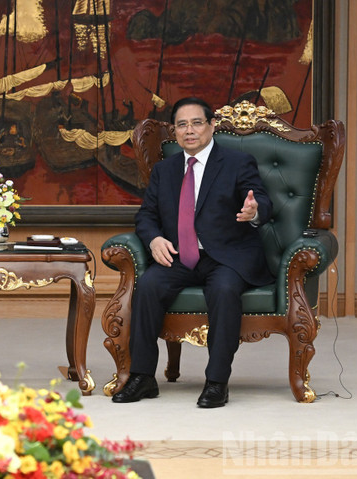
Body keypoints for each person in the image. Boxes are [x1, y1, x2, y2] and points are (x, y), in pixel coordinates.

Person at [112, 97, 273, 408]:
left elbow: (262, 202)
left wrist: (253, 212)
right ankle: (143, 376)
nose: (190, 131)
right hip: (179, 255)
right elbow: (146, 216)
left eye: (197, 123)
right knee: (147, 286)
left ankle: (216, 381)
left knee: (225, 290)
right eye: (182, 125)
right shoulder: (165, 170)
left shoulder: (237, 162)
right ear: (174, 131)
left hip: (225, 256)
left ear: (212, 126)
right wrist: (155, 239)